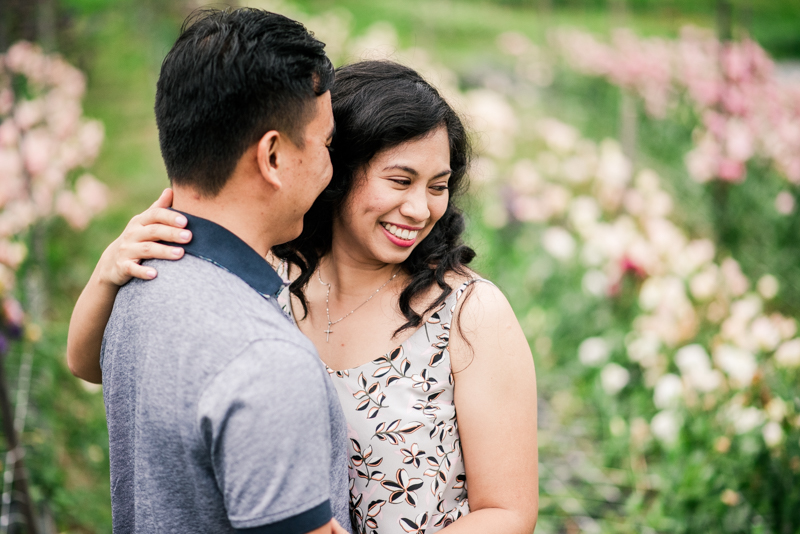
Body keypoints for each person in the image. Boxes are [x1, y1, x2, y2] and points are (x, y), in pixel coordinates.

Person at [70, 60, 539, 533]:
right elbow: (92, 364)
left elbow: (508, 512)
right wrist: (109, 272)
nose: (420, 209)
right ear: (336, 169)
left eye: (438, 187)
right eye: (400, 181)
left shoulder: (468, 313)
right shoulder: (270, 273)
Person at [79, 8, 352, 533]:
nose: (329, 165)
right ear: (272, 155)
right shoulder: (264, 360)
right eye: (326, 143)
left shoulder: (138, 277)